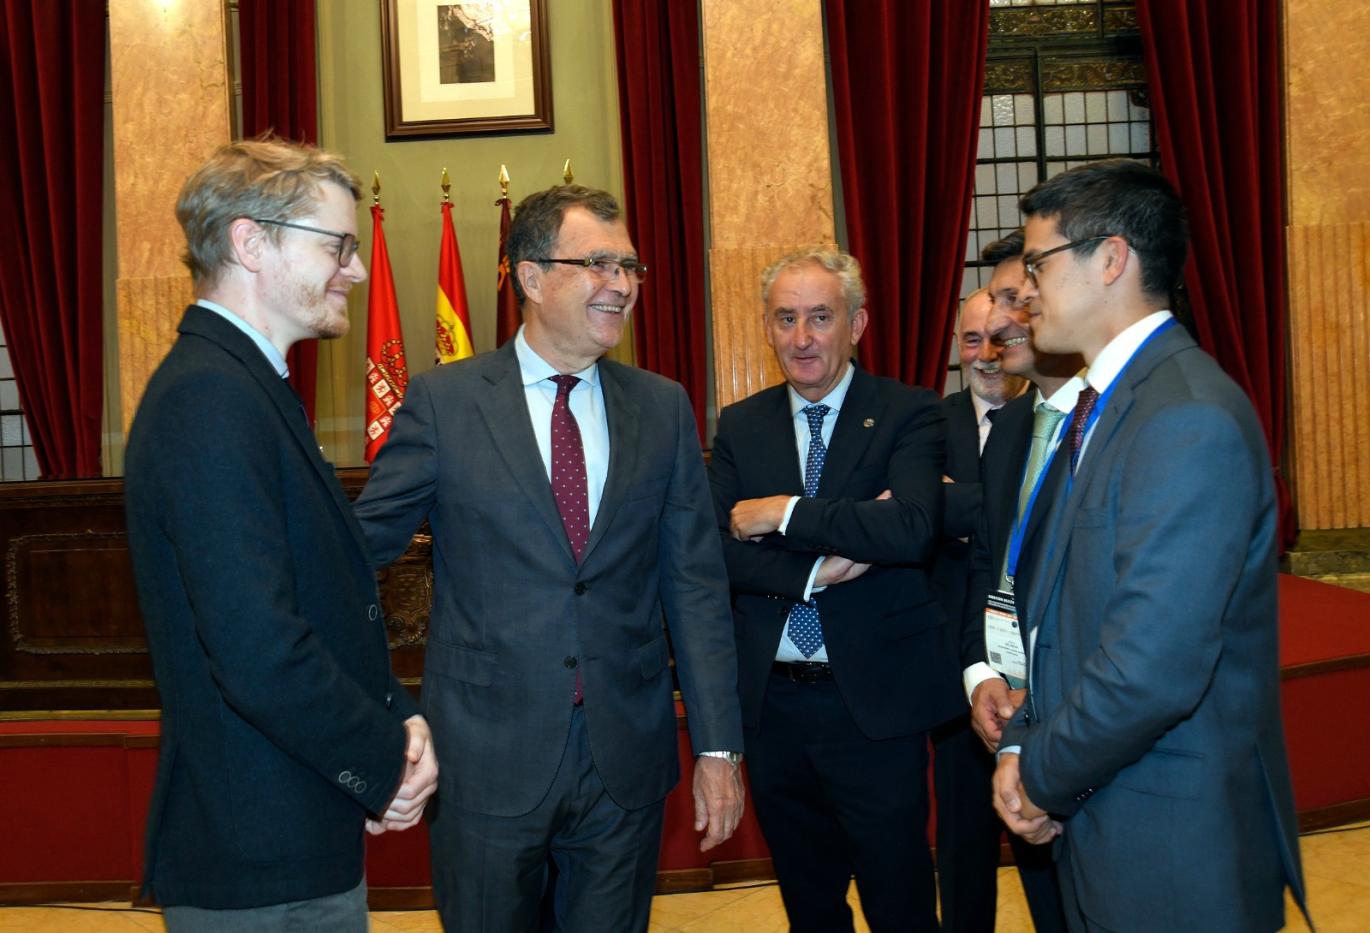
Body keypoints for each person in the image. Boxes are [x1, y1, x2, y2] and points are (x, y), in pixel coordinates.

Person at [355, 185, 745, 932]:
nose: (622, 284)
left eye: (629, 266)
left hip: (623, 762)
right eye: (598, 262)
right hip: (484, 761)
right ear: (532, 277)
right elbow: (355, 556)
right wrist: (373, 711)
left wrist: (719, 746)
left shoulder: (662, 407)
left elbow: (695, 586)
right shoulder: (445, 402)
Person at [124, 138, 437, 931]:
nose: (356, 271)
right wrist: (383, 759)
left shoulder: (243, 386)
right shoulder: (210, 400)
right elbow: (259, 652)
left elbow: (323, 603)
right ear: (250, 241)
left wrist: (399, 714)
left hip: (290, 839)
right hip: (259, 859)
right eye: (337, 245)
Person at [992, 159, 1308, 931]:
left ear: (1110, 259)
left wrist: (1038, 774)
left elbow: (1151, 668)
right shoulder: (1105, 405)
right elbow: (1060, 614)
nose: (1025, 288)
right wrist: (1020, 742)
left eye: (1038, 262)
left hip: (1171, 845)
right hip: (1106, 816)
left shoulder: (1185, 417)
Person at [709, 249, 960, 932]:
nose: (802, 337)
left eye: (821, 317)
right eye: (786, 318)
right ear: (766, 325)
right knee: (808, 901)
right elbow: (717, 553)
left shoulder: (910, 412)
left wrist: (781, 514)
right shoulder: (741, 424)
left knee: (899, 896)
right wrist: (818, 568)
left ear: (858, 322)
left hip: (875, 705)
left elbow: (909, 527)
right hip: (774, 707)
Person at [927, 285, 1025, 933]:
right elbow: (913, 515)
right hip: (958, 670)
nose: (985, 353)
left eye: (998, 338)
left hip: (1042, 668)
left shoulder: (1053, 421)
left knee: (1049, 842)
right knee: (964, 847)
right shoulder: (928, 425)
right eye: (971, 338)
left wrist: (955, 504)